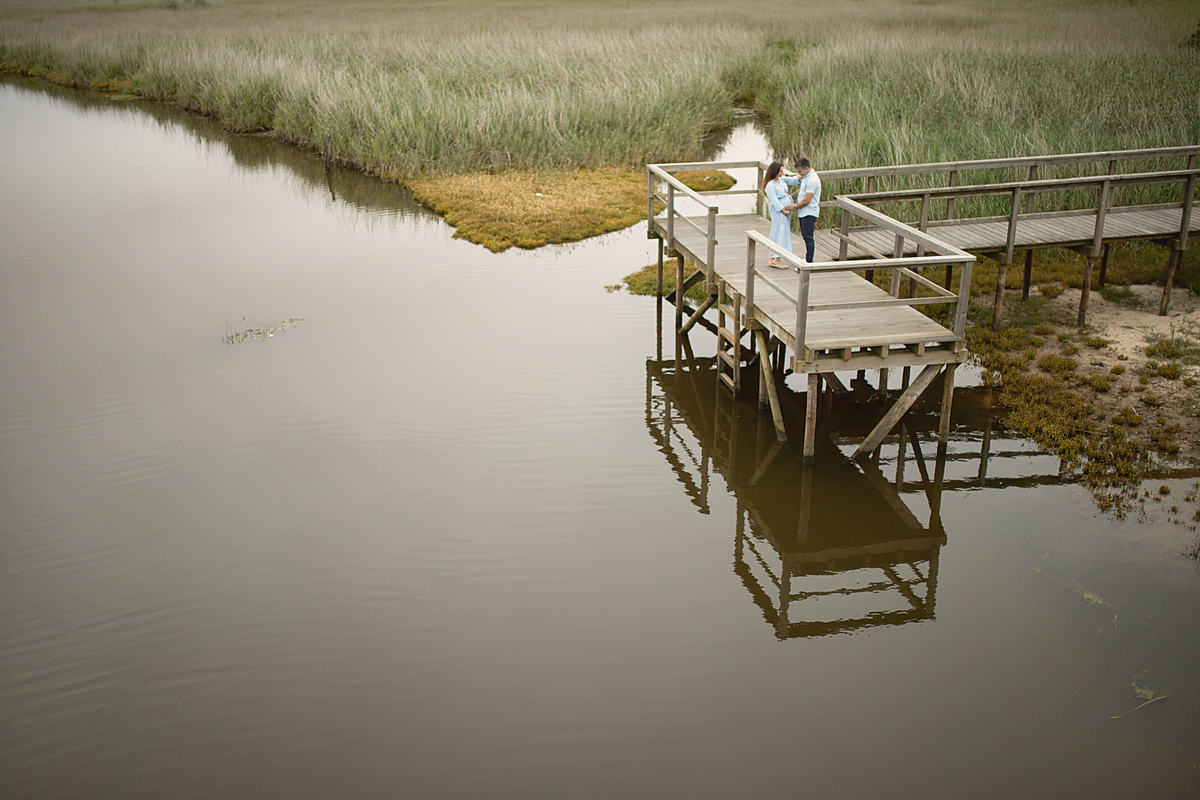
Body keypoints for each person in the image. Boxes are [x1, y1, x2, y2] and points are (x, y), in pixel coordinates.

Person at [761, 161, 796, 268]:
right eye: (780, 171)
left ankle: (772, 259)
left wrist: (801, 176)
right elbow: (774, 200)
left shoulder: (780, 180)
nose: (781, 173)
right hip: (779, 212)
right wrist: (783, 210)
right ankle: (777, 259)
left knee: (778, 232)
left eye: (782, 171)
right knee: (780, 232)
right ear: (774, 171)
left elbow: (791, 180)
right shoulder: (770, 185)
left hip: (784, 212)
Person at [792, 157, 822, 263]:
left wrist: (794, 206)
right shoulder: (806, 176)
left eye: (800, 171)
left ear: (807, 168)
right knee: (805, 236)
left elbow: (807, 200)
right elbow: (802, 190)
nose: (799, 173)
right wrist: (791, 197)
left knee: (808, 237)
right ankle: (808, 258)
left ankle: (809, 261)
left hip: (809, 212)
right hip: (804, 212)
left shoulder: (812, 179)